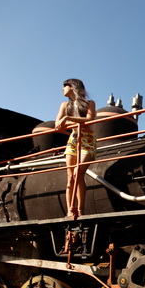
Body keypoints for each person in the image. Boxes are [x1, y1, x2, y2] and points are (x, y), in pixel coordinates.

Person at [55, 78, 96, 218]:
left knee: (78, 173)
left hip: (87, 140)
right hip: (73, 140)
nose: (62, 89)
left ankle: (81, 209)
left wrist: (68, 119)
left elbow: (90, 119)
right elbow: (57, 124)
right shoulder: (64, 105)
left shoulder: (89, 103)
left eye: (64, 86)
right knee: (70, 177)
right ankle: (70, 210)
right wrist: (67, 119)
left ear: (72, 87)